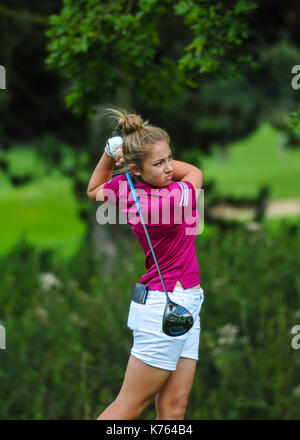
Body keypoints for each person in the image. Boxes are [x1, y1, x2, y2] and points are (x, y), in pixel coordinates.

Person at [87, 106, 204, 420]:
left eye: (169, 158)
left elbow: (94, 189)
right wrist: (128, 155)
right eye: (159, 162)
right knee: (129, 406)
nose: (168, 168)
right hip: (166, 306)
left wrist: (112, 155)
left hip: (184, 302)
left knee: (174, 408)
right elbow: (194, 173)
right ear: (137, 168)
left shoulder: (126, 188)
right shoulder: (167, 201)